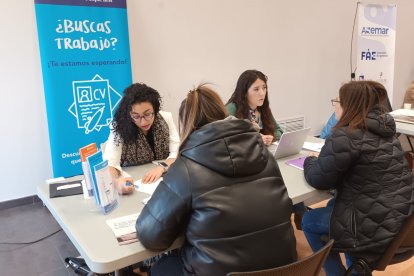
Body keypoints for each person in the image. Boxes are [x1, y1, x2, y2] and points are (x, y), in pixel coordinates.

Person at [136, 84, 297, 276]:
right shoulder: (265, 155)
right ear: (222, 113)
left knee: (162, 267)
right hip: (283, 269)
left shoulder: (185, 169)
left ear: (186, 124)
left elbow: (151, 236)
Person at [301, 80, 414, 275]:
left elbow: (318, 179)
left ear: (348, 105)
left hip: (374, 228)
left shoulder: (346, 135)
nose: (335, 105)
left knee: (309, 221)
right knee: (332, 205)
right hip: (402, 220)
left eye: (337, 100)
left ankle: (338, 272)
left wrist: (309, 161)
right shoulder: (387, 133)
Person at [103, 83, 179, 194]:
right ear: (129, 114)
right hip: (134, 182)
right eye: (136, 116)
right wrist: (116, 182)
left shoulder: (166, 118)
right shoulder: (118, 127)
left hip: (162, 183)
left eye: (147, 114)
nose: (143, 121)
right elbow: (111, 163)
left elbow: (177, 152)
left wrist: (162, 167)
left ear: (155, 109)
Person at [226, 69, 283, 145]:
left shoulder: (262, 107)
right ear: (244, 92)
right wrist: (256, 139)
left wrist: (270, 137)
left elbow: (279, 131)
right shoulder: (232, 108)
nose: (262, 93)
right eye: (256, 89)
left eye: (264, 88)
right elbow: (228, 139)